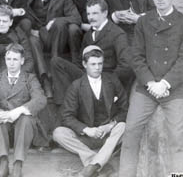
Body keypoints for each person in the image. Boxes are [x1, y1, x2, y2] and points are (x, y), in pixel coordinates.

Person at [119, 0, 183, 176]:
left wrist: (166, 83)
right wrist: (150, 82)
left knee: (177, 139)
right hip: (147, 87)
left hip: (175, 89)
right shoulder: (144, 21)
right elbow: (137, 56)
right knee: (130, 133)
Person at [53, 46, 127, 177]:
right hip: (86, 136)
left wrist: (109, 126)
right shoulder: (76, 86)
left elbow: (125, 108)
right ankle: (98, 163)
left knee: (123, 127)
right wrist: (87, 129)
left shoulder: (112, 80)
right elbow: (67, 116)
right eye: (93, 64)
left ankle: (92, 167)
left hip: (108, 136)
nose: (97, 68)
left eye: (100, 64)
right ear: (84, 64)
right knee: (58, 133)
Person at [0, 43, 47, 177]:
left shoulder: (30, 78)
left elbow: (41, 99)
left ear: (22, 61)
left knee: (26, 118)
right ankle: (3, 163)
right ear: (5, 60)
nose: (11, 63)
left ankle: (18, 165)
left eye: (15, 59)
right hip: (3, 132)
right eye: (8, 59)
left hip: (23, 132)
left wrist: (19, 110)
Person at [51, 0, 132, 107]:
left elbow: (126, 65)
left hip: (105, 79)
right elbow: (81, 61)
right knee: (56, 62)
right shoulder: (88, 34)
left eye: (95, 13)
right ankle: (65, 105)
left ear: (105, 13)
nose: (91, 17)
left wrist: (107, 82)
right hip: (87, 76)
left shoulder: (117, 34)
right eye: (89, 14)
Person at [27, 0, 82, 69]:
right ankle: (43, 76)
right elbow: (24, 15)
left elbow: (77, 18)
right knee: (32, 40)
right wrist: (30, 30)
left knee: (59, 23)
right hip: (38, 35)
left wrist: (56, 20)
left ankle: (55, 61)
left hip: (57, 37)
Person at [0, 5, 35, 79]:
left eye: (5, 21)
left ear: (10, 22)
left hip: (22, 76)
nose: (1, 24)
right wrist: (7, 75)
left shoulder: (19, 33)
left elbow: (29, 61)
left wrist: (18, 74)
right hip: (0, 77)